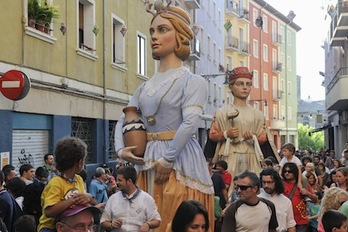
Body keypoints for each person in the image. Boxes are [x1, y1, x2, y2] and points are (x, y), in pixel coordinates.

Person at [114, 2, 214, 231]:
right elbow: (124, 119)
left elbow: (190, 123)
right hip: (146, 160)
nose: (154, 37)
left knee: (177, 212)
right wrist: (121, 150)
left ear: (179, 35)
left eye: (162, 30)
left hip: (180, 159)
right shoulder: (144, 87)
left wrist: (168, 159)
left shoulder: (193, 81)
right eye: (152, 31)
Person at [209, 67, 280, 193]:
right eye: (240, 84)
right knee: (229, 189)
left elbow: (263, 138)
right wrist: (226, 134)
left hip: (251, 155)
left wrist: (253, 137)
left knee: (253, 189)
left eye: (248, 84)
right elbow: (212, 135)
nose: (245, 87)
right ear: (231, 87)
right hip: (229, 155)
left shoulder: (258, 114)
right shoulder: (221, 112)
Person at [38, 136, 94, 232]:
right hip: (50, 227)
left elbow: (82, 203)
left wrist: (88, 197)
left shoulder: (79, 180)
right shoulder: (56, 182)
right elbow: (49, 212)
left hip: (71, 224)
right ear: (80, 163)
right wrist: (73, 200)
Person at [100, 166, 161, 231]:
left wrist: (148, 224)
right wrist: (112, 225)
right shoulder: (113, 199)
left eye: (120, 180)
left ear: (129, 181)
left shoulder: (146, 199)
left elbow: (157, 220)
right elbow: (103, 221)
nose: (117, 183)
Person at [281, 162, 318, 232]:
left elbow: (315, 200)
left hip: (301, 221)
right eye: (285, 171)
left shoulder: (303, 184)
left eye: (289, 171)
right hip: (285, 221)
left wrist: (308, 193)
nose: (287, 173)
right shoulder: (280, 184)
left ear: (294, 172)